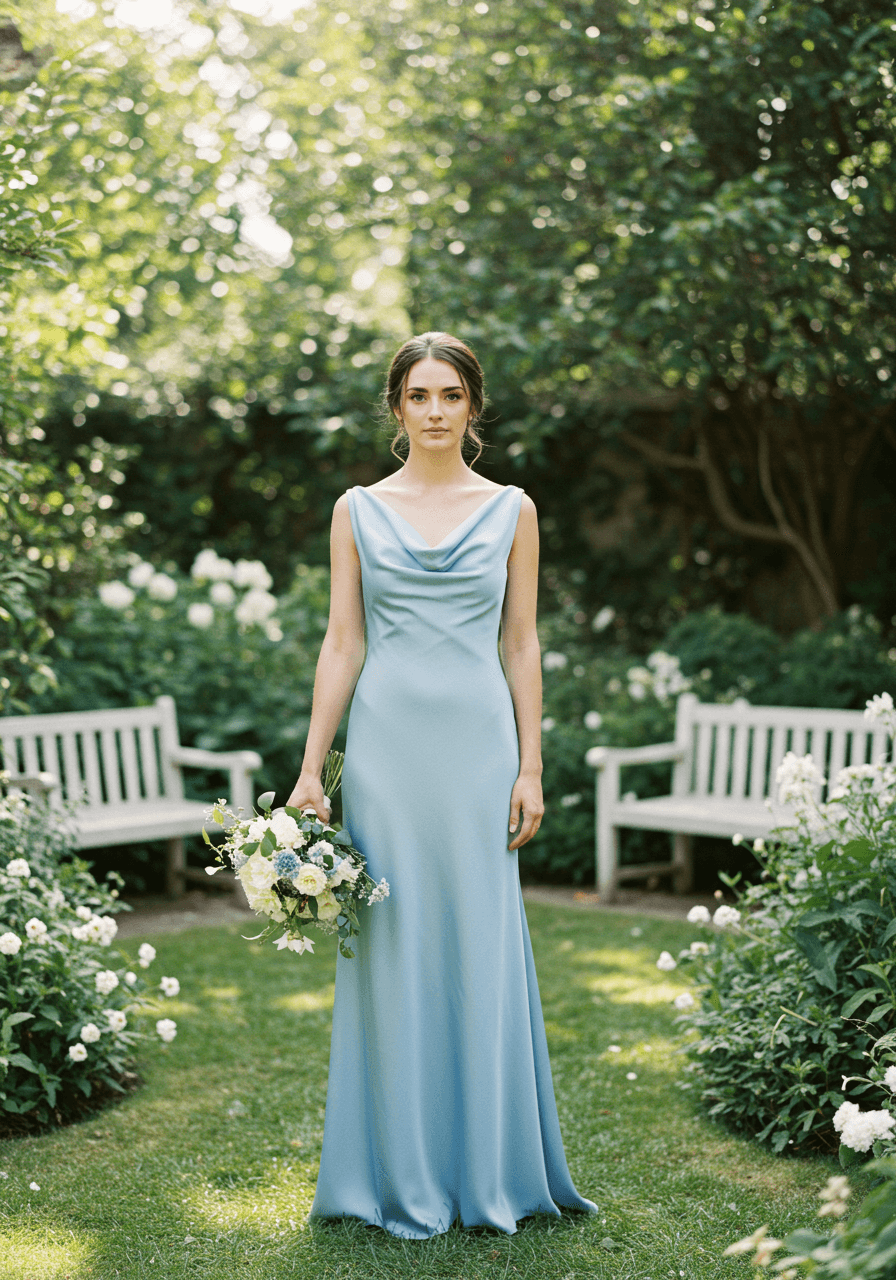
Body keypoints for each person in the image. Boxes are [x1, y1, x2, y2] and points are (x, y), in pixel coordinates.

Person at [287, 331, 597, 1238]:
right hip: (385, 752)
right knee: (393, 947)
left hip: (476, 749)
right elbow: (343, 642)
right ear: (396, 409)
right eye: (418, 395)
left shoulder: (513, 511)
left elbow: (520, 643)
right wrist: (313, 768)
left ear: (473, 406)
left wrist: (530, 764)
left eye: (450, 395)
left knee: (477, 940)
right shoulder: (354, 510)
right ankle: (397, 1170)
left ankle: (493, 1167)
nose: (433, 411)